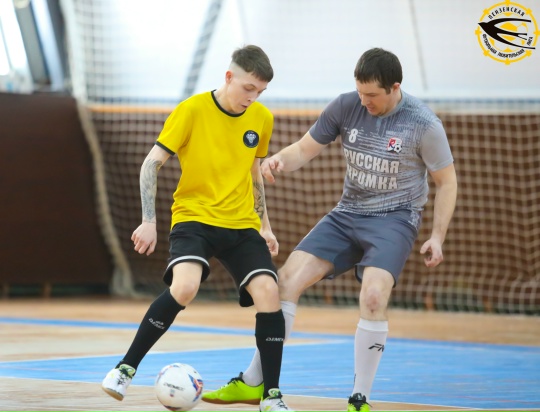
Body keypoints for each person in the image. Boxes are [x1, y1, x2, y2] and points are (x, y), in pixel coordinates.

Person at [202, 47, 458, 412]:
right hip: (347, 214)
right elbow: (304, 149)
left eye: (372, 95)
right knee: (284, 281)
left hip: (394, 219)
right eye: (360, 92)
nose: (364, 101)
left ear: (395, 88)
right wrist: (279, 160)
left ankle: (359, 398)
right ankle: (253, 381)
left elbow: (447, 182)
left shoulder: (423, 124)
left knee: (373, 296)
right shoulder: (346, 105)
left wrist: (437, 236)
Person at [101, 44, 295, 412]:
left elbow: (254, 172)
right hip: (195, 219)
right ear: (229, 77)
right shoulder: (191, 110)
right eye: (248, 88)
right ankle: (124, 369)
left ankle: (271, 396)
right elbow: (151, 163)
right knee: (185, 287)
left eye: (260, 91)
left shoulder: (261, 118)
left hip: (241, 224)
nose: (253, 98)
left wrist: (265, 226)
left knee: (269, 292)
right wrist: (148, 221)